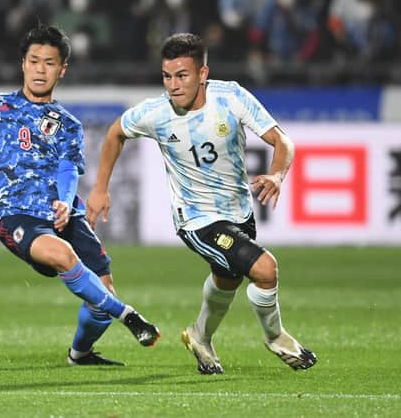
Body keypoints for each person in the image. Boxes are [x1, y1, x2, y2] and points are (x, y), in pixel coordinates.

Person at [0, 23, 160, 366]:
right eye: (34, 61)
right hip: (18, 216)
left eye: (50, 63)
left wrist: (64, 200)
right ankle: (129, 316)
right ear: (23, 63)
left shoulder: (67, 122)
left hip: (64, 212)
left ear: (62, 69)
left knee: (101, 297)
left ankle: (80, 354)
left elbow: (68, 168)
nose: (41, 69)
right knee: (63, 256)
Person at [86, 32, 317, 374]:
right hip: (196, 220)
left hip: (238, 212)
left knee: (227, 280)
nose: (173, 85)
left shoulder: (231, 98)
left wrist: (277, 175)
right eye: (167, 76)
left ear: (202, 74)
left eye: (182, 76)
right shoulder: (155, 112)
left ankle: (200, 336)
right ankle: (276, 337)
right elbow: (115, 133)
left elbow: (283, 141)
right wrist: (100, 188)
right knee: (265, 270)